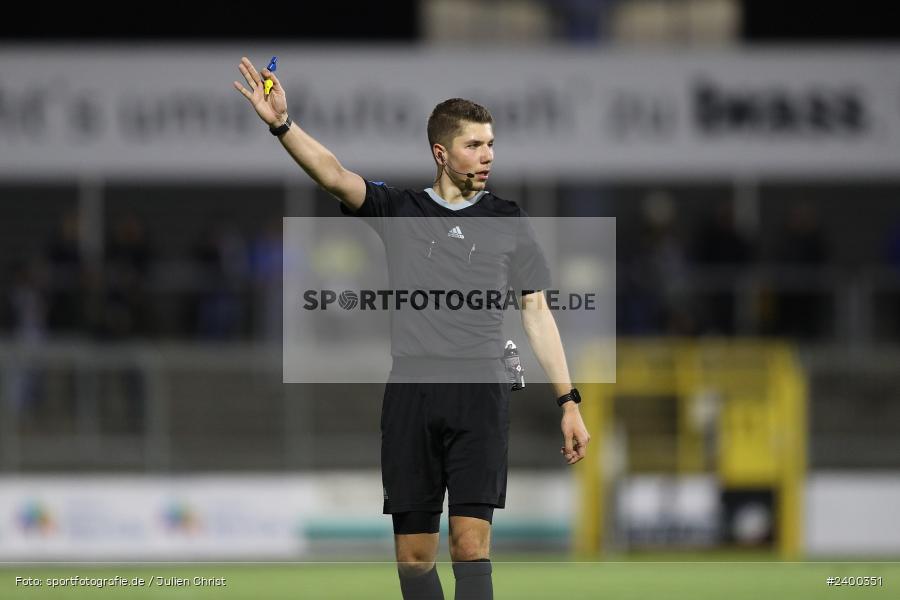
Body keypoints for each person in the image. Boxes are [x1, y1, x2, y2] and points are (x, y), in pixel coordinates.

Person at [234, 56, 590, 600]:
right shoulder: (400, 209)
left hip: (481, 393)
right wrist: (282, 124)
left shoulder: (508, 217)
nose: (487, 155)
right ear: (441, 154)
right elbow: (333, 173)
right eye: (474, 145)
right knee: (414, 557)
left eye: (491, 143)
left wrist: (568, 401)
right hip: (412, 395)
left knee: (471, 546)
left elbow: (536, 311)